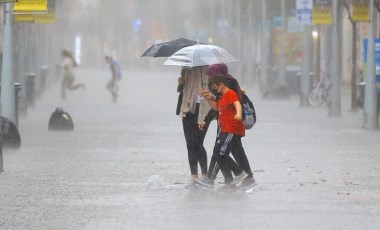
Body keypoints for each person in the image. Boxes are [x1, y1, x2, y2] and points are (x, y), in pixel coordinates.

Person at [195, 68, 256, 189]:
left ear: (220, 83)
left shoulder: (230, 89)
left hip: (231, 127)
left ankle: (214, 179)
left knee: (219, 152)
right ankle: (237, 177)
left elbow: (236, 103)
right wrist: (209, 98)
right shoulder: (223, 92)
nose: (213, 88)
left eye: (214, 86)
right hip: (227, 127)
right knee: (231, 152)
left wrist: (238, 114)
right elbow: (218, 107)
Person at [177, 66, 211, 188]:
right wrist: (181, 84)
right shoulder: (185, 69)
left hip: (203, 110)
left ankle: (205, 175)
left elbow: (214, 90)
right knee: (190, 144)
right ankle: (194, 176)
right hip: (187, 109)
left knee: (198, 143)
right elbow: (182, 90)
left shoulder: (208, 70)